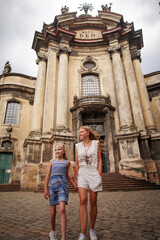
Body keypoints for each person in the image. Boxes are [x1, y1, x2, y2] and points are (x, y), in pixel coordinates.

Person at [74, 126, 103, 240]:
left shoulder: (96, 144)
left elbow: (100, 160)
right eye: (79, 132)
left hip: (93, 173)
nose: (79, 134)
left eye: (81, 132)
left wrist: (99, 176)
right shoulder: (77, 146)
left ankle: (91, 229)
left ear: (87, 133)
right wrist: (76, 178)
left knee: (93, 201)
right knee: (83, 201)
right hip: (82, 173)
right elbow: (76, 164)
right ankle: (82, 233)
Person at [44, 143, 76, 240]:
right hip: (52, 187)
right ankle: (53, 231)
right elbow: (48, 175)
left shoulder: (67, 162)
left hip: (63, 186)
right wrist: (45, 189)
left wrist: (74, 183)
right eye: (55, 150)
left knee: (62, 209)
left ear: (64, 151)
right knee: (53, 212)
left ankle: (63, 237)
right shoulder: (51, 162)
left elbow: (66, 175)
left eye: (59, 149)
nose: (57, 151)